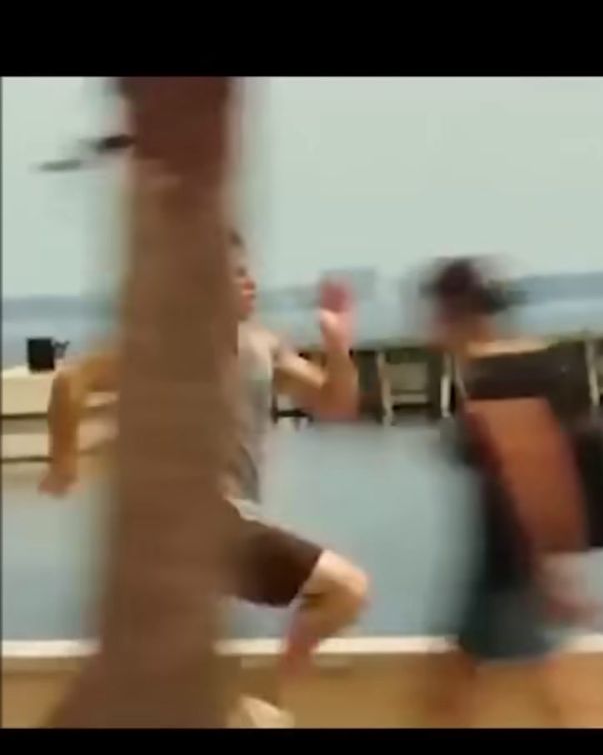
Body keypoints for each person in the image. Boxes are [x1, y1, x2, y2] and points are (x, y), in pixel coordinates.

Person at [40, 231, 371, 727]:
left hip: (215, 529)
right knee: (346, 588)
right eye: (235, 275)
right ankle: (267, 702)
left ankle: (255, 707)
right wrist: (63, 462)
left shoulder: (265, 346)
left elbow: (335, 403)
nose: (250, 282)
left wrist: (338, 346)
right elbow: (73, 381)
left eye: (249, 271)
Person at [420, 257, 603, 728]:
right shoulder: (519, 365)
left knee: (572, 703)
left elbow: (535, 469)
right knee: (453, 698)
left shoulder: (499, 375)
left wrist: (555, 573)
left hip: (517, 575)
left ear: (454, 311)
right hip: (502, 571)